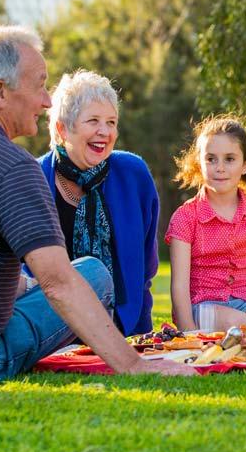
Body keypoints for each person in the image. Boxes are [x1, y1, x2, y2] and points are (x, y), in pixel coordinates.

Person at [0, 26, 194, 386]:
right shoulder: (13, 166)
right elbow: (59, 283)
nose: (46, 100)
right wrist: (134, 365)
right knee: (92, 275)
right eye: (39, 85)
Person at [37, 70, 159, 336]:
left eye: (111, 122)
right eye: (93, 121)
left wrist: (142, 336)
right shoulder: (34, 178)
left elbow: (144, 272)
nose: (104, 132)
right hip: (52, 331)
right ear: (62, 128)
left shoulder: (134, 174)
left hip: (121, 328)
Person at [166, 114, 246, 332]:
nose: (219, 167)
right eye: (211, 159)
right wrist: (188, 333)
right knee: (240, 323)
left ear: (245, 164)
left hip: (245, 302)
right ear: (199, 163)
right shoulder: (185, 217)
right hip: (201, 305)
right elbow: (179, 287)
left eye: (229, 159)